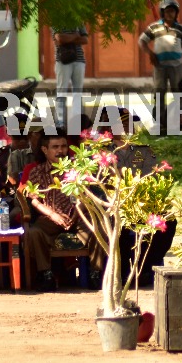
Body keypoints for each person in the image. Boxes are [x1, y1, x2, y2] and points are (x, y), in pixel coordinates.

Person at [23, 134, 105, 291]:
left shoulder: (78, 168)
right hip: (50, 217)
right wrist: (53, 215)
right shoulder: (37, 172)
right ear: (45, 150)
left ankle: (95, 273)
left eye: (63, 146)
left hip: (78, 216)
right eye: (55, 147)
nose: (61, 151)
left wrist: (76, 213)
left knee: (99, 229)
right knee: (34, 232)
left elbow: (86, 194)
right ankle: (46, 274)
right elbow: (34, 200)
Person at [139, 0, 182, 131]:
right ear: (162, 12)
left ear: (176, 13)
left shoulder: (181, 28)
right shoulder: (154, 27)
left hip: (176, 66)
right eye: (167, 11)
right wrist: (150, 53)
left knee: (178, 93)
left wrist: (175, 51)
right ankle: (159, 123)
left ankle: (179, 121)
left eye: (172, 11)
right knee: (159, 93)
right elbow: (142, 41)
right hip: (159, 66)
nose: (169, 14)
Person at [53, 25, 89, 98]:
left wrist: (66, 39)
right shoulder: (56, 21)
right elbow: (60, 38)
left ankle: (77, 110)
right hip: (63, 60)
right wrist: (76, 35)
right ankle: (60, 110)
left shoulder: (79, 22)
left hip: (79, 60)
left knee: (78, 92)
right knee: (61, 91)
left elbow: (85, 40)